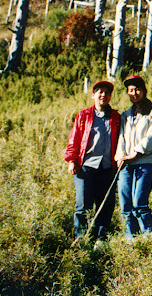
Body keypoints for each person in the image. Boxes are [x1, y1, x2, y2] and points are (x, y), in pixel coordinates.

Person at [64, 80, 121, 241]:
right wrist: (71, 160)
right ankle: (80, 239)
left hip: (107, 168)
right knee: (83, 206)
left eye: (107, 92)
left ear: (110, 96)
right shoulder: (84, 116)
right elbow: (74, 139)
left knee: (105, 205)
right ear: (93, 95)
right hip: (86, 167)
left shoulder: (116, 117)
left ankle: (101, 239)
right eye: (100, 92)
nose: (103, 95)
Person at [115, 75, 152, 240]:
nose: (134, 93)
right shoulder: (125, 115)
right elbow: (121, 137)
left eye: (137, 89)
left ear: (144, 91)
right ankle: (131, 239)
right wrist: (121, 156)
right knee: (126, 204)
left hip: (143, 163)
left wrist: (135, 153)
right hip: (126, 166)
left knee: (140, 203)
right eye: (130, 90)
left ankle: (149, 238)